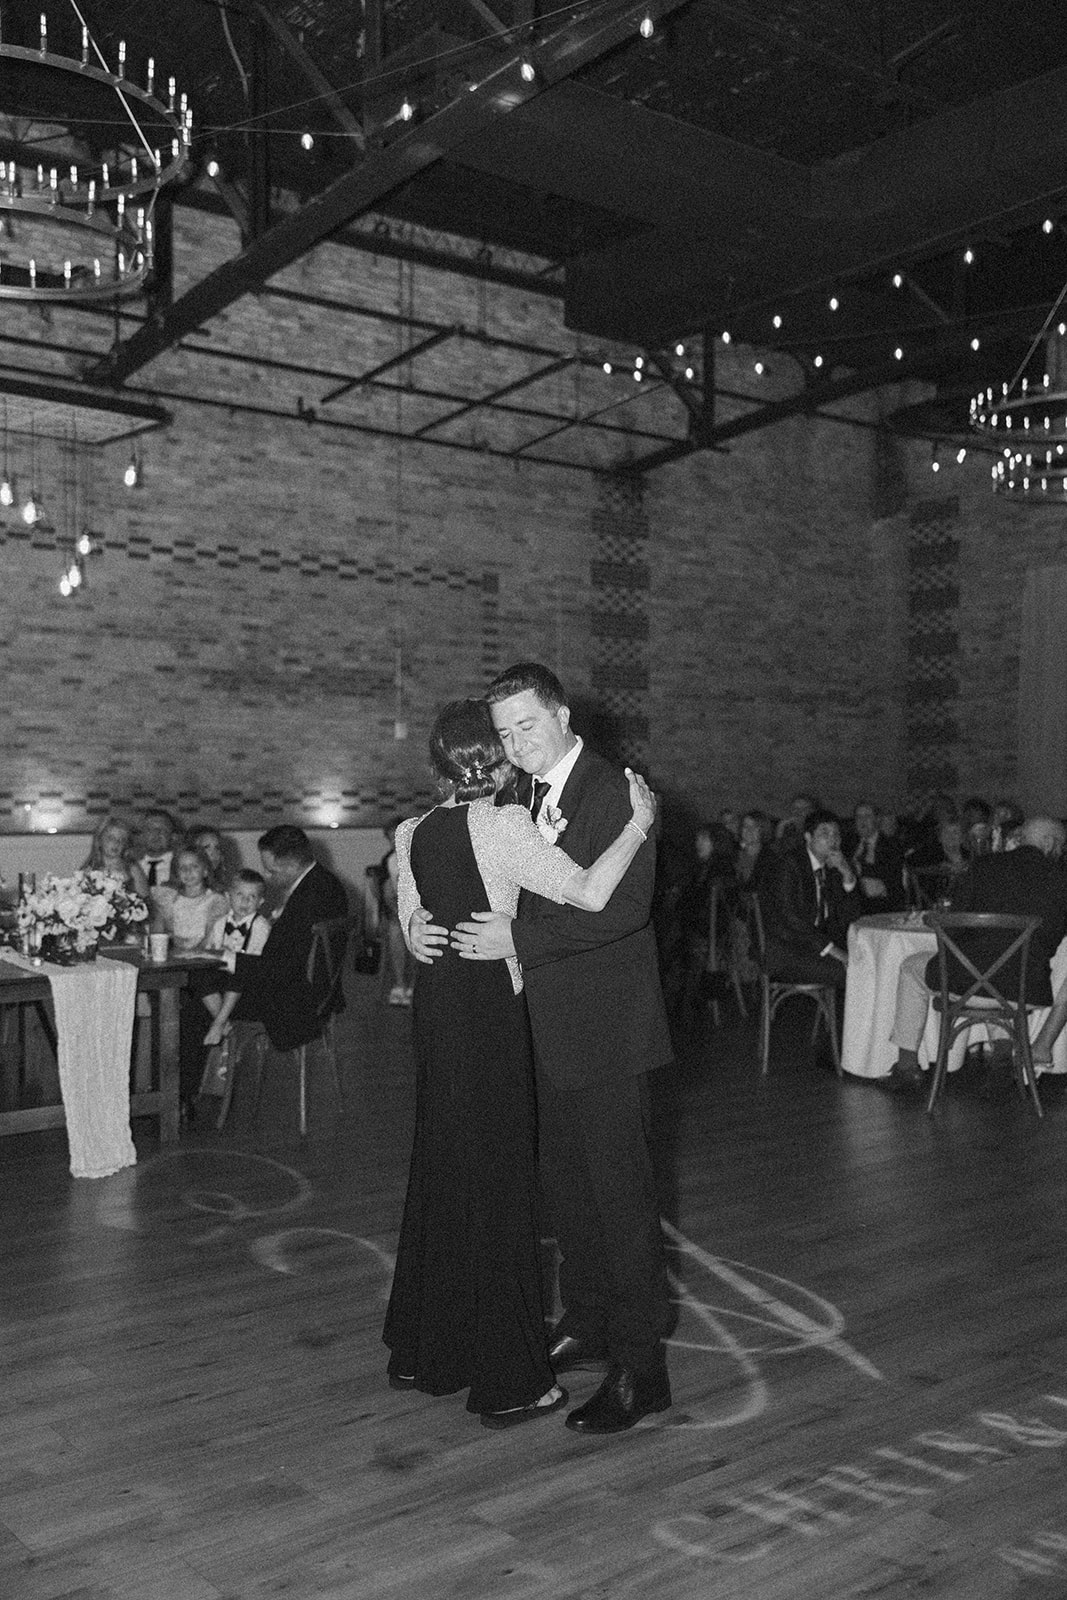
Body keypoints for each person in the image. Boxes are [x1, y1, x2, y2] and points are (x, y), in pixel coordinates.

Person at [413, 663, 674, 1435]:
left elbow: (621, 909)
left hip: (605, 1031)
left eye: (527, 726)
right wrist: (423, 924)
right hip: (535, 1031)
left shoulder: (614, 790)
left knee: (621, 1201)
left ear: (563, 716)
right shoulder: (516, 794)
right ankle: (586, 1321)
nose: (515, 743)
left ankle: (641, 1367)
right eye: (503, 733)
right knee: (566, 1193)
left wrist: (515, 938)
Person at [887, 816, 1067, 1092]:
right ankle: (1003, 1054)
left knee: (911, 966)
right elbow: (1052, 940)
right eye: (1061, 846)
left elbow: (954, 929)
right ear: (1048, 842)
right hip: (1024, 991)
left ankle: (906, 1067)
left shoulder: (983, 866)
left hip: (963, 984)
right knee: (1007, 966)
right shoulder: (1061, 880)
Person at [216, 825, 348, 1051]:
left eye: (271, 871)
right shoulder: (325, 883)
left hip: (297, 1001)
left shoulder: (308, 898)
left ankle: (212, 1079)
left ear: (292, 865)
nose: (267, 877)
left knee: (198, 994)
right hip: (321, 992)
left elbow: (281, 967)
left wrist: (225, 958)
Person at [760, 807, 861, 990]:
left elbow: (851, 916)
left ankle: (848, 1019)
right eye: (825, 833)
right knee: (855, 970)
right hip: (787, 952)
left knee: (869, 963)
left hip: (816, 948)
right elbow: (791, 919)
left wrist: (847, 875)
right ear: (808, 836)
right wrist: (833, 950)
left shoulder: (833, 868)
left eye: (836, 834)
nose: (833, 839)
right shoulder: (789, 865)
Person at [202, 869, 271, 1048]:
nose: (245, 901)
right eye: (239, 895)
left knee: (239, 973)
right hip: (223, 976)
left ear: (261, 902)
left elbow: (253, 963)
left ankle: (219, 1023)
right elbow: (212, 951)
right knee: (199, 977)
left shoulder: (261, 926)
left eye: (252, 897)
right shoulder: (220, 924)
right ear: (228, 896)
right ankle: (224, 1022)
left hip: (250, 985)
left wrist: (229, 957)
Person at [154, 846, 228, 953]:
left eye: (194, 866)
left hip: (203, 955)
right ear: (176, 873)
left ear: (205, 871)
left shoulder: (215, 901)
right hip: (174, 954)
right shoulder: (170, 899)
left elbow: (213, 934)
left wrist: (197, 951)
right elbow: (158, 932)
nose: (188, 871)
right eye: (182, 867)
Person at [851, 800, 906, 913]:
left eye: (867, 816)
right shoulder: (848, 844)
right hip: (853, 903)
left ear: (877, 819)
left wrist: (861, 869)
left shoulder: (890, 845)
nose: (863, 821)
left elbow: (892, 877)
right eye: (858, 817)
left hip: (883, 905)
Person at [81, 817, 150, 900]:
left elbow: (146, 900)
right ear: (99, 840)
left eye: (122, 840)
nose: (116, 843)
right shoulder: (90, 869)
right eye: (111, 838)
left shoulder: (132, 869)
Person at [136, 809, 179, 890]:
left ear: (173, 836)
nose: (156, 833)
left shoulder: (182, 866)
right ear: (141, 835)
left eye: (163, 829)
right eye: (150, 829)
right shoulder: (131, 867)